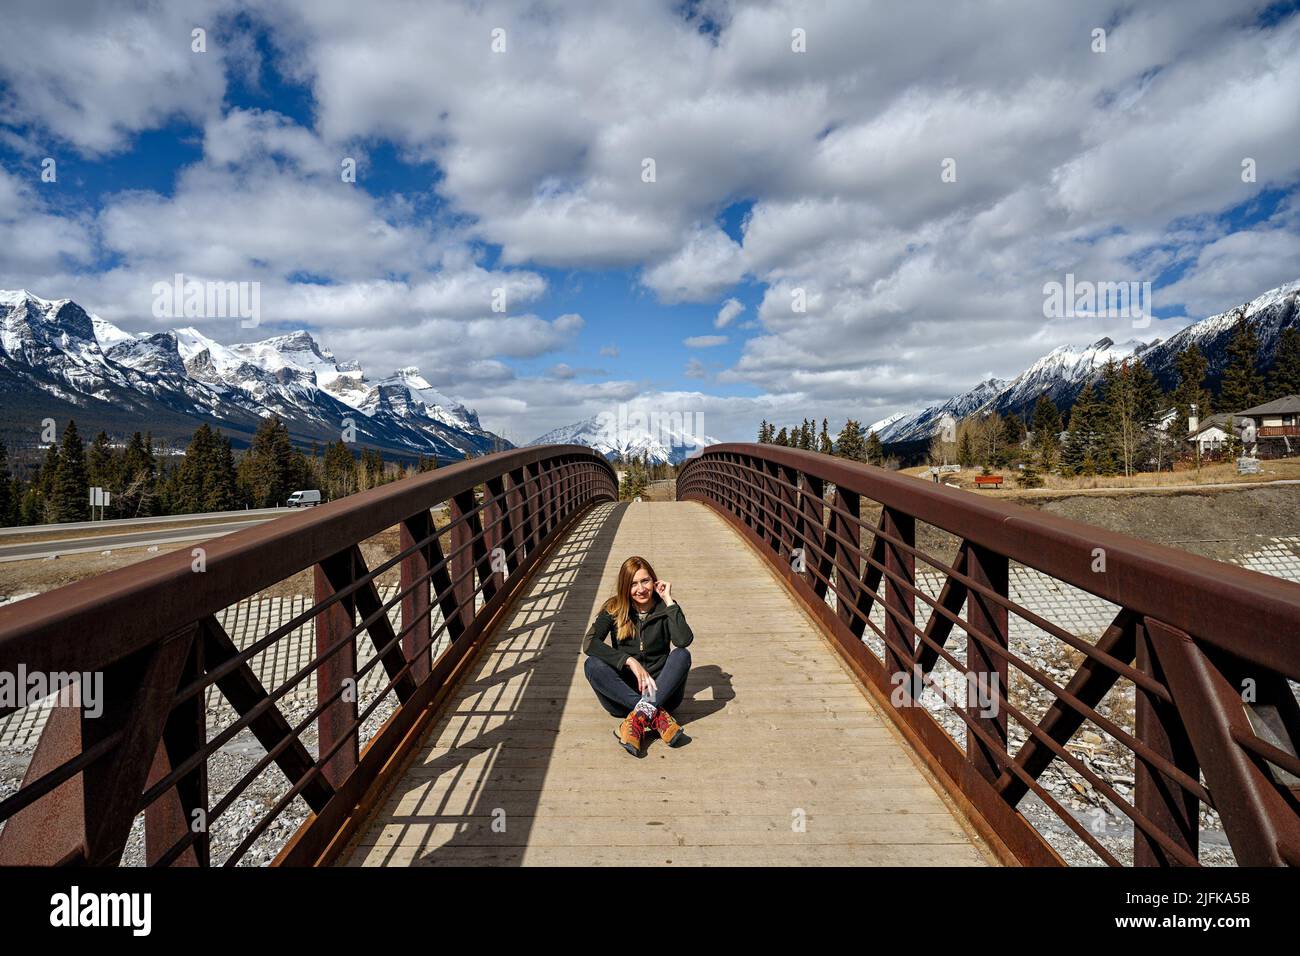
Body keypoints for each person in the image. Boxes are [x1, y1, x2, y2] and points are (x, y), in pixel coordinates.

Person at [582, 555, 693, 757]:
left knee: (681, 655)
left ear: (654, 580)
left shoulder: (665, 607)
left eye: (645, 581)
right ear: (625, 586)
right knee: (592, 665)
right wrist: (628, 660)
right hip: (622, 696)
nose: (641, 589)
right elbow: (589, 643)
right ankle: (656, 716)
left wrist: (669, 600)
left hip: (662, 693)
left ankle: (636, 719)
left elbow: (683, 640)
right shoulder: (614, 608)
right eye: (633, 584)